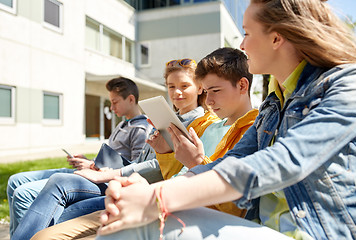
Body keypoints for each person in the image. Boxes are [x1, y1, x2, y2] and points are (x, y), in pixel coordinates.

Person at [94, 0, 356, 240]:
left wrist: (157, 197)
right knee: (134, 221)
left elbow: (283, 161)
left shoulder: (346, 86)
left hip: (311, 233)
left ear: (277, 38)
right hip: (262, 228)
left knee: (140, 224)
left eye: (247, 33)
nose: (242, 45)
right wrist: (156, 189)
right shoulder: (274, 103)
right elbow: (229, 163)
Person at [31, 47, 259, 240]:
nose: (208, 100)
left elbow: (231, 199)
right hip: (162, 199)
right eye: (207, 91)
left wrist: (194, 162)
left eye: (215, 91)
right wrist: (166, 151)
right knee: (47, 228)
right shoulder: (211, 127)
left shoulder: (250, 130)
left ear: (242, 85)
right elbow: (177, 174)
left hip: (176, 209)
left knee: (51, 228)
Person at [13, 58, 210, 240]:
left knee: (56, 191)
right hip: (123, 179)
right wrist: (101, 167)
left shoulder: (198, 124)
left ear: (200, 88)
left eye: (185, 86)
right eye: (171, 86)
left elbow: (160, 167)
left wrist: (108, 174)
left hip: (140, 190)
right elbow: (140, 162)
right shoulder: (164, 118)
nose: (176, 93)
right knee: (45, 194)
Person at [6, 77, 153, 236]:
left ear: (131, 99)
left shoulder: (141, 128)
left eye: (115, 102)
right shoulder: (122, 124)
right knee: (15, 181)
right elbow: (111, 159)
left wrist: (92, 167)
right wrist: (89, 162)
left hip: (105, 180)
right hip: (95, 172)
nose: (111, 107)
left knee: (23, 193)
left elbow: (135, 169)